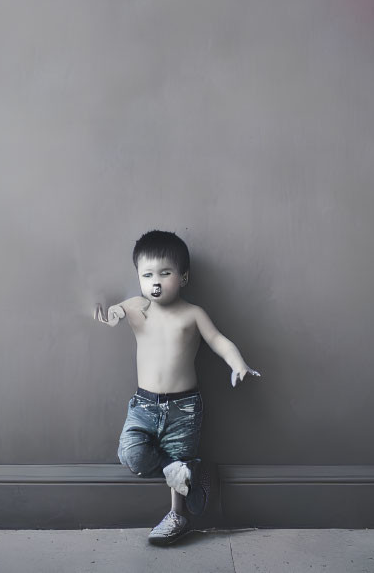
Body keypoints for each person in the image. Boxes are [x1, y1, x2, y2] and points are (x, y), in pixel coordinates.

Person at [94, 228, 260, 545]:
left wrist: (238, 363)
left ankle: (177, 515)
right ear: (139, 277)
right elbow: (116, 311)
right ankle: (193, 473)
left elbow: (219, 341)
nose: (155, 281)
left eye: (165, 273)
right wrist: (109, 315)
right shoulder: (137, 307)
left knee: (178, 454)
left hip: (184, 408)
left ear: (182, 278)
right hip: (144, 405)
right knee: (132, 455)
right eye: (147, 275)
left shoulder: (193, 314)